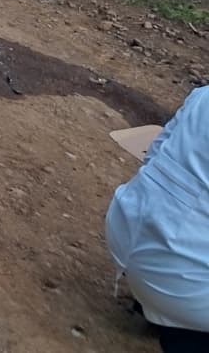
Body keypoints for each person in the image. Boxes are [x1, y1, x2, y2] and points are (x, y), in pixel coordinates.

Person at [105, 85, 209, 352]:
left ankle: (151, 302)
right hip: (185, 285)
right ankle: (182, 330)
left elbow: (154, 154)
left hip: (125, 224)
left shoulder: (204, 95)